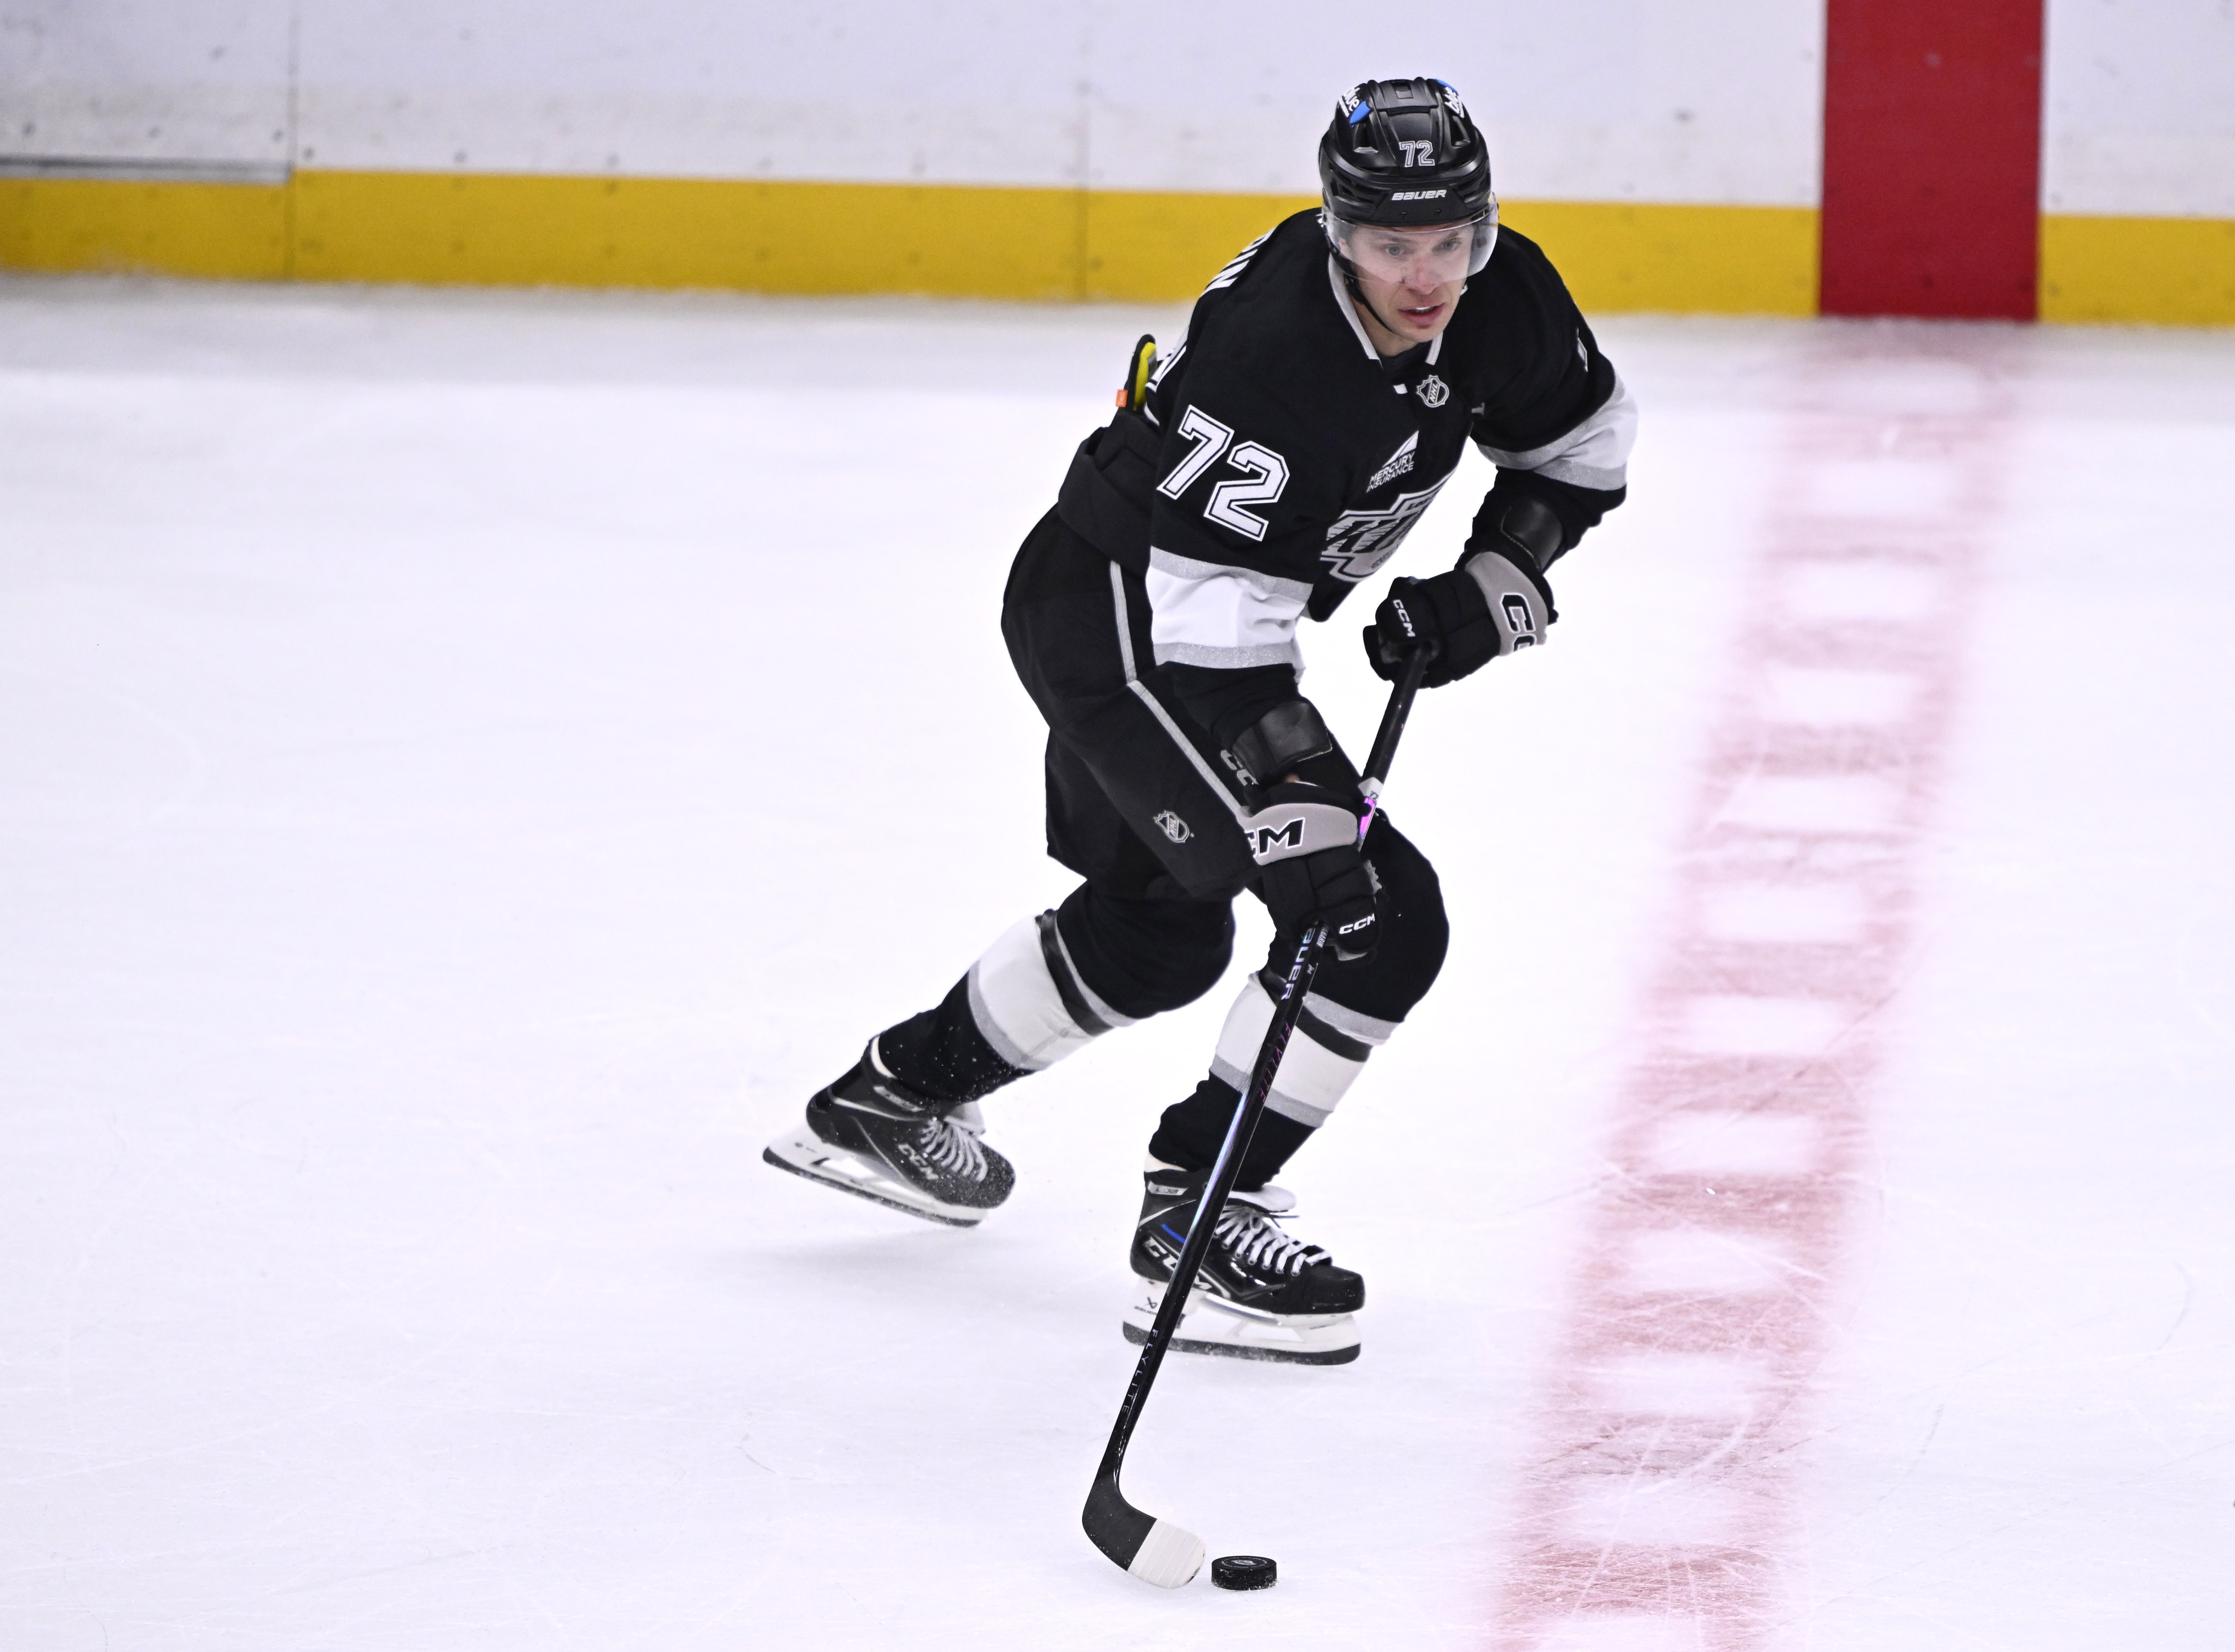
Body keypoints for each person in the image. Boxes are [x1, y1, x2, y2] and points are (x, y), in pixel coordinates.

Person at [764, 76, 1635, 1365]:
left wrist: (1494, 579)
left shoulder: (1502, 295)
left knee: (1157, 938)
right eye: (1392, 244)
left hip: (1170, 616)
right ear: (1338, 230)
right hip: (1122, 629)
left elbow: (1581, 443)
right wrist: (1294, 792)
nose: (1426, 274)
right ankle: (1200, 1217)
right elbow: (1211, 634)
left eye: (1450, 238)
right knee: (1369, 920)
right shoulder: (1272, 356)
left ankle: (891, 1101)